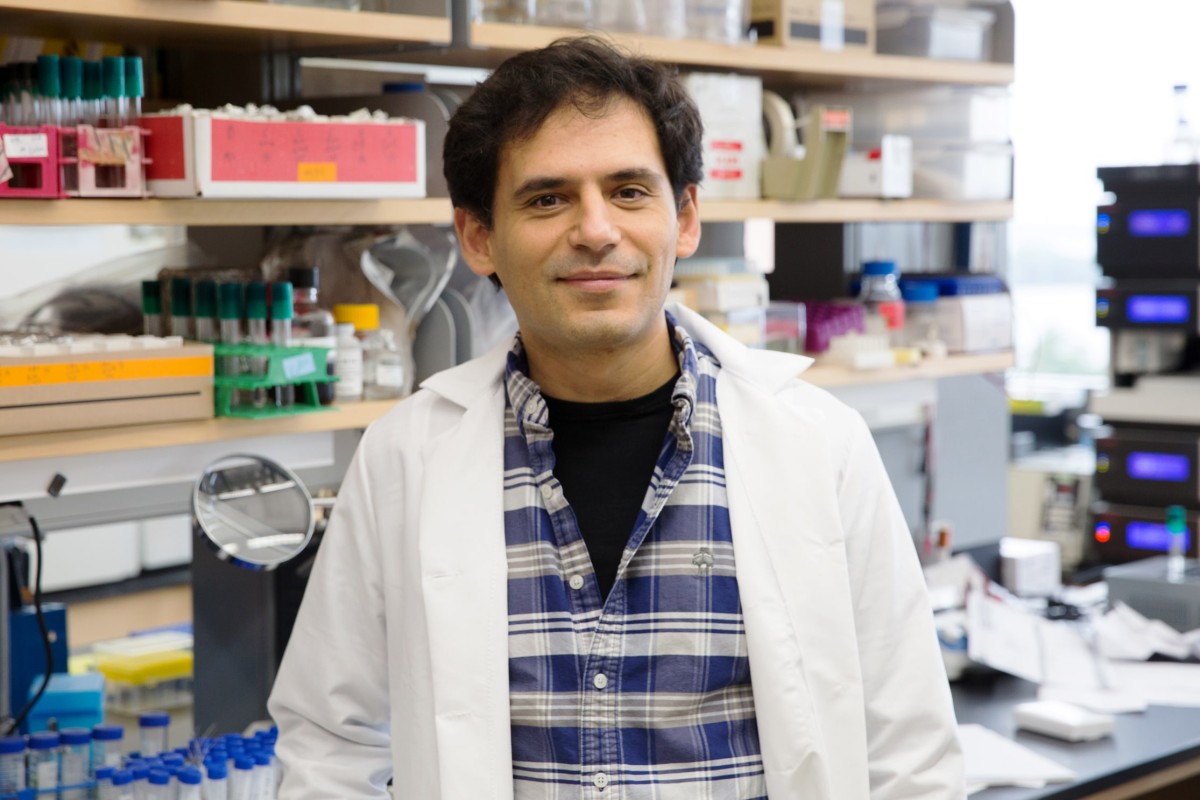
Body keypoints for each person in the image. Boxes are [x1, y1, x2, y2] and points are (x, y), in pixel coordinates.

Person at [268, 35, 964, 800]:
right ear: (478, 237)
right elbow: (330, 749)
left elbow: (911, 756)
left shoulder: (819, 444)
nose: (596, 230)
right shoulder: (405, 457)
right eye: (547, 198)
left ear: (686, 217)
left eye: (630, 191)